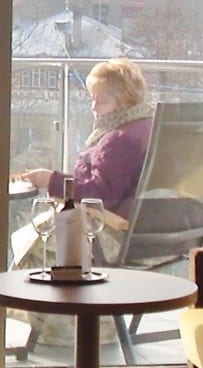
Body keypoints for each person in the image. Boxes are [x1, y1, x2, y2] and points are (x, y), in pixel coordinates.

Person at [9, 57, 155, 348]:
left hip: (112, 233)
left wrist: (50, 179)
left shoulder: (120, 139)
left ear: (125, 100)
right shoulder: (147, 126)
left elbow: (98, 194)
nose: (94, 107)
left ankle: (62, 332)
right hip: (149, 234)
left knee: (39, 236)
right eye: (92, 99)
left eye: (101, 100)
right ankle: (94, 328)